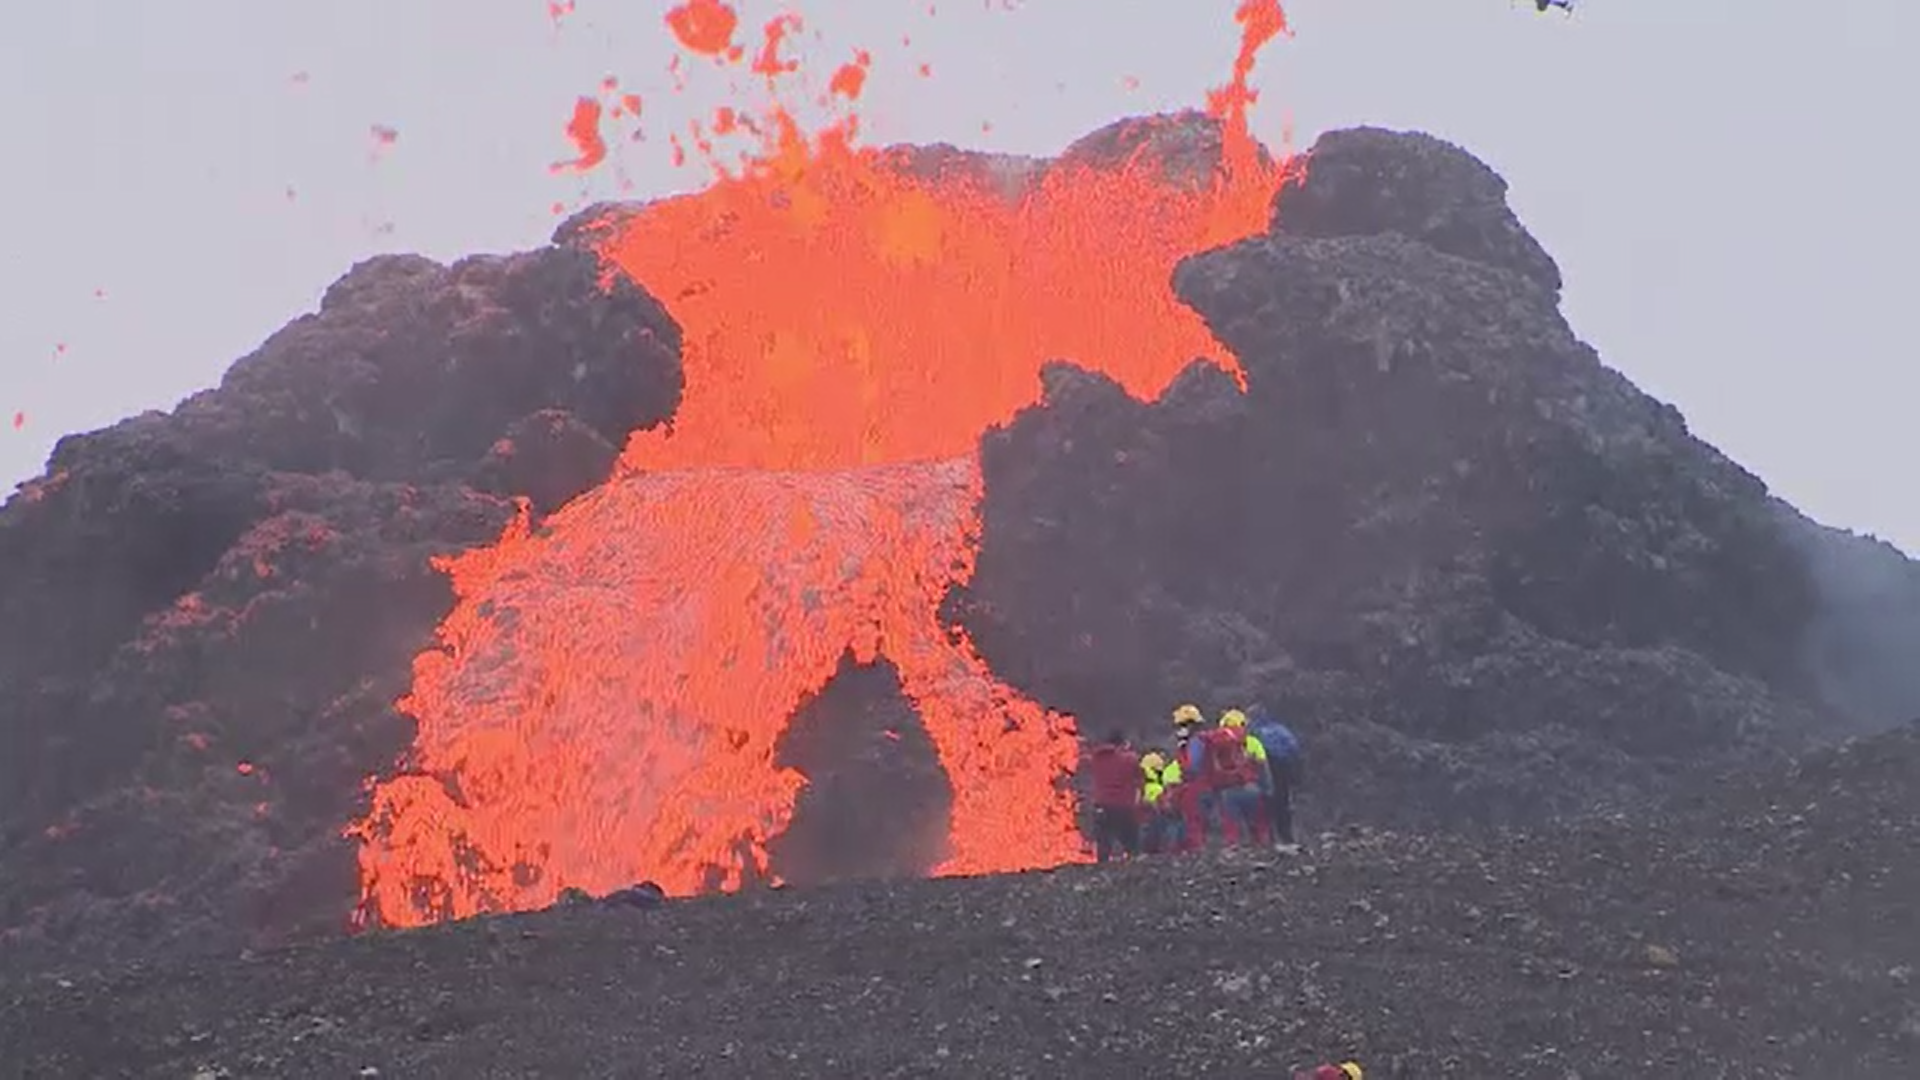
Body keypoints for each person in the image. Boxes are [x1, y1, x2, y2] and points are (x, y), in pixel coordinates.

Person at [1198, 711, 1266, 846]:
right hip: (1251, 787)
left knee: (1231, 827)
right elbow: (1262, 764)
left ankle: (1234, 851)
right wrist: (1267, 786)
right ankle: (1262, 848)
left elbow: (1207, 768)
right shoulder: (1251, 741)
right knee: (1258, 824)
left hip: (1226, 791)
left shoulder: (1215, 741)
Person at [1246, 704, 1302, 850]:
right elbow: (1294, 747)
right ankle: (1287, 838)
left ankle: (1268, 840)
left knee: (1265, 806)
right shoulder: (1280, 729)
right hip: (1285, 770)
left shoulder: (1255, 732)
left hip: (1266, 770)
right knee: (1284, 804)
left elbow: (1252, 754)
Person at [1084, 730, 1142, 862]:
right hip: (1123, 805)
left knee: (1103, 842)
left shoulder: (1096, 759)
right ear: (1121, 743)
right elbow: (1138, 774)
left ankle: (1101, 867)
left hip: (1101, 805)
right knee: (1131, 842)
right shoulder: (1129, 759)